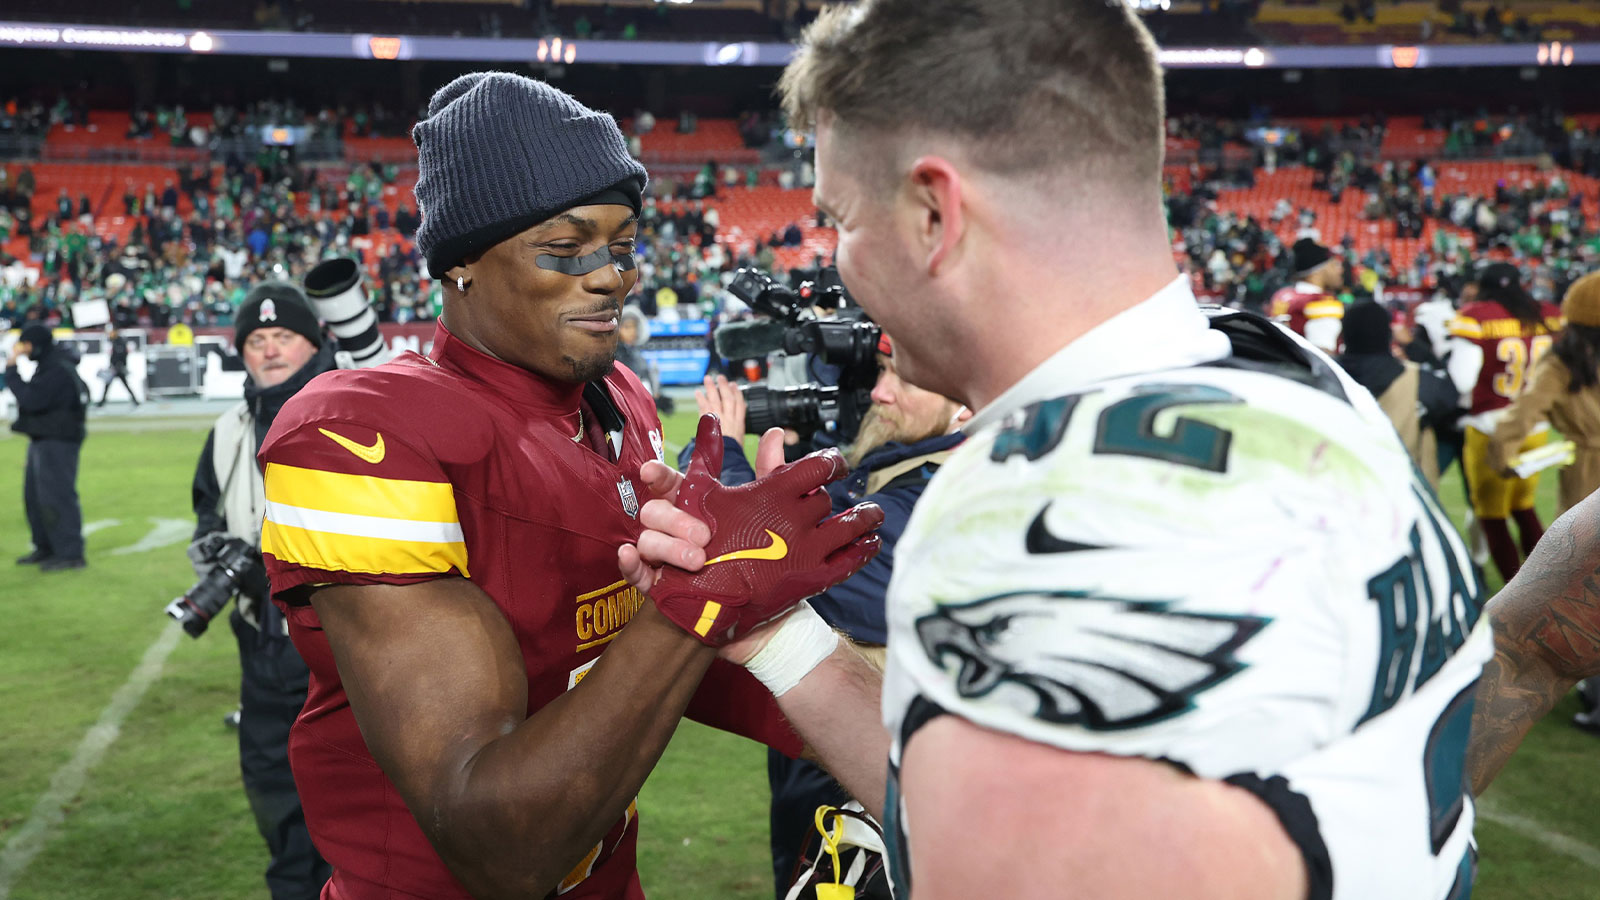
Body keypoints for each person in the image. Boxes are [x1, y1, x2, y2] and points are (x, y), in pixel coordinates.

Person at [631, 2, 1488, 897]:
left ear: (934, 211)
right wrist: (779, 639)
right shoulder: (1292, 368)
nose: (838, 261)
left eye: (840, 217)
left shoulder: (1029, 509)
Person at [253, 72, 885, 900]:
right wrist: (699, 602)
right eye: (566, 248)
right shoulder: (357, 434)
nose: (611, 277)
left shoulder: (615, 397)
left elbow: (663, 660)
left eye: (623, 246)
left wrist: (907, 709)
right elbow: (500, 850)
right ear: (462, 264)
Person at [684, 336, 969, 899]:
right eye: (881, 371)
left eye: (903, 379)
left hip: (855, 756)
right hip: (836, 739)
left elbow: (780, 565)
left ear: (965, 404)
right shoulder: (898, 460)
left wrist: (728, 454)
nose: (879, 393)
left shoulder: (947, 495)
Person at [190, 262, 390, 900]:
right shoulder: (226, 432)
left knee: (363, 799)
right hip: (264, 646)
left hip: (353, 638)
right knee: (275, 789)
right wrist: (221, 554)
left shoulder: (358, 404)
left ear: (316, 342)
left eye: (283, 336)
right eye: (254, 340)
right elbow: (205, 516)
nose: (268, 347)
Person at [1447, 262, 1564, 581]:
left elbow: (1461, 378)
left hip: (1491, 425)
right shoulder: (1546, 312)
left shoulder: (1476, 316)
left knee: (1492, 514)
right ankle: (1549, 582)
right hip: (1535, 424)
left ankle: (1517, 592)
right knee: (1523, 506)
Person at [1487, 270, 1600, 517]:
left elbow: (1526, 410)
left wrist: (1502, 452)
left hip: (1590, 476)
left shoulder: (1564, 362)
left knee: (1583, 551)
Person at [1336, 300, 1459, 490]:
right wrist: (1415, 348)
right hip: (1404, 495)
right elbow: (1450, 396)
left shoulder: (1324, 375)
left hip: (1346, 490)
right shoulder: (1417, 379)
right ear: (1387, 333)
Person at [8, 323, 90, 571]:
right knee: (35, 498)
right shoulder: (53, 366)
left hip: (58, 440)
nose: (23, 349)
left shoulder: (56, 370)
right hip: (46, 438)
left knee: (57, 497)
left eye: (26, 344)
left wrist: (11, 369)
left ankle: (70, 554)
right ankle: (45, 547)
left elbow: (31, 399)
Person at [1269, 237, 1346, 354]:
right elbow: (1323, 356)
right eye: (1334, 264)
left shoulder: (1283, 294)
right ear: (1319, 270)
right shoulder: (1321, 302)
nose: (1341, 270)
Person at [96, 326, 140, 407]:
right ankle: (101, 402)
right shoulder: (115, 341)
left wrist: (119, 365)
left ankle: (135, 400)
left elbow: (122, 355)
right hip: (114, 367)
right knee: (110, 385)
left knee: (122, 385)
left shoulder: (120, 342)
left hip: (118, 368)